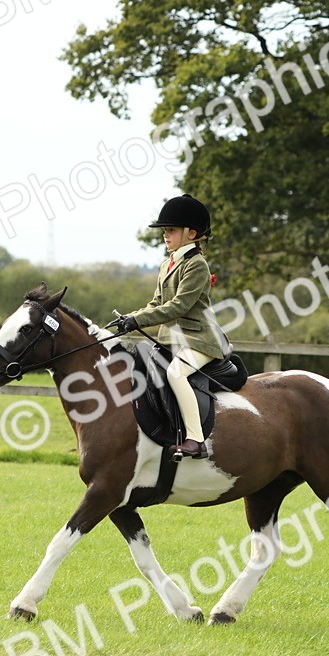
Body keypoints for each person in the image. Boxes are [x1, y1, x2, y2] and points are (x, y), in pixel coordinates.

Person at [116, 194, 229, 459]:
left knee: (176, 374)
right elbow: (156, 302)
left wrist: (139, 320)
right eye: (165, 230)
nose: (166, 235)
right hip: (171, 339)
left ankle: (196, 439)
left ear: (191, 234)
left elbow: (178, 306)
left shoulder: (197, 265)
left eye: (171, 230)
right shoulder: (168, 263)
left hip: (199, 340)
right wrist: (129, 319)